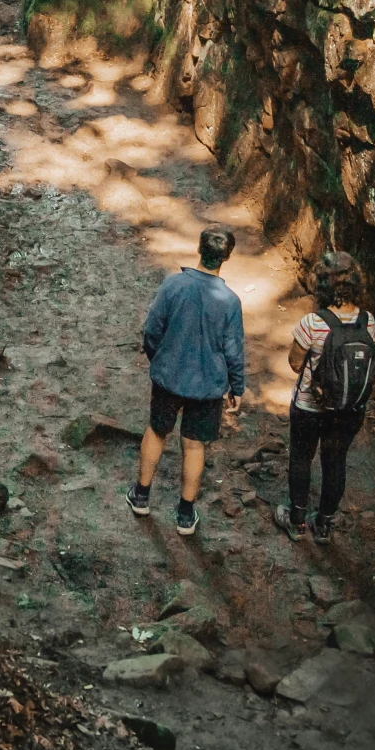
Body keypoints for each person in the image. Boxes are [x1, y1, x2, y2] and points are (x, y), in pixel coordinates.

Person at [128, 226, 245, 535]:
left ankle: (141, 496)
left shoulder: (174, 285)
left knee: (157, 431)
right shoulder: (230, 302)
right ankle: (184, 514)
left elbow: (152, 330)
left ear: (199, 250)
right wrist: (237, 386)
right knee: (194, 446)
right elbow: (234, 350)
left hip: (169, 377)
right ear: (227, 257)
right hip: (207, 386)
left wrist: (161, 358)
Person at [276, 250, 375, 541]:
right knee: (335, 461)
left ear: (321, 285)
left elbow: (296, 363)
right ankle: (323, 524)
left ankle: (296, 520)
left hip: (311, 406)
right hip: (349, 408)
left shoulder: (313, 322)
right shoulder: (368, 321)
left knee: (301, 456)